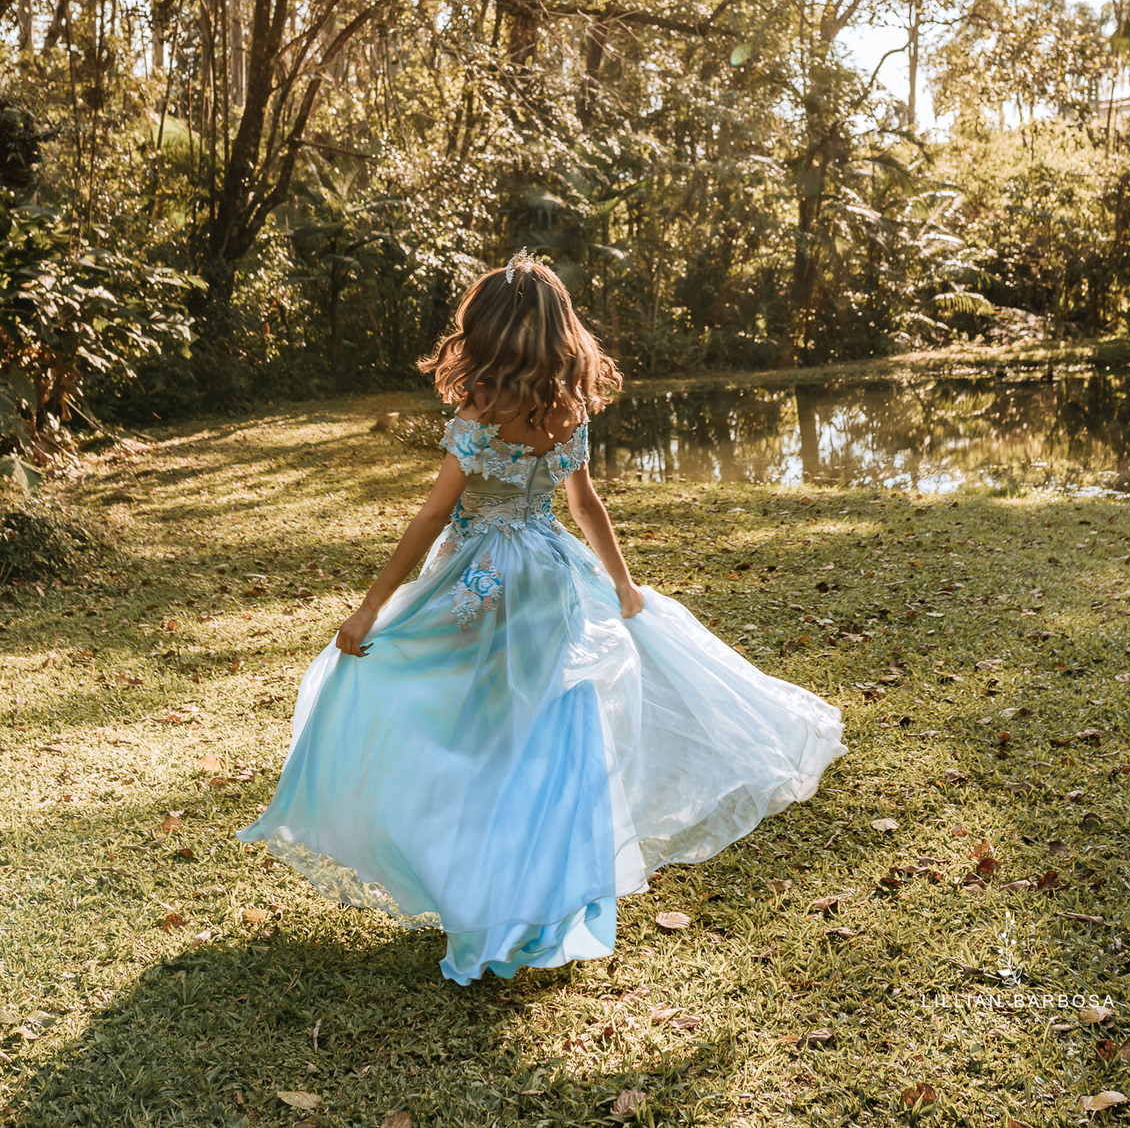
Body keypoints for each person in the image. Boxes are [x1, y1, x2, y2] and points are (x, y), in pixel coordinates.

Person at [237, 253, 846, 984]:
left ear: (488, 336)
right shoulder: (565, 412)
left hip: (479, 584)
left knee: (465, 724)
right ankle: (535, 893)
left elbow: (434, 516)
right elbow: (585, 506)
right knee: (544, 730)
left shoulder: (478, 415)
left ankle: (484, 884)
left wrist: (371, 609)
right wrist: (620, 584)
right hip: (548, 580)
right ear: (558, 336)